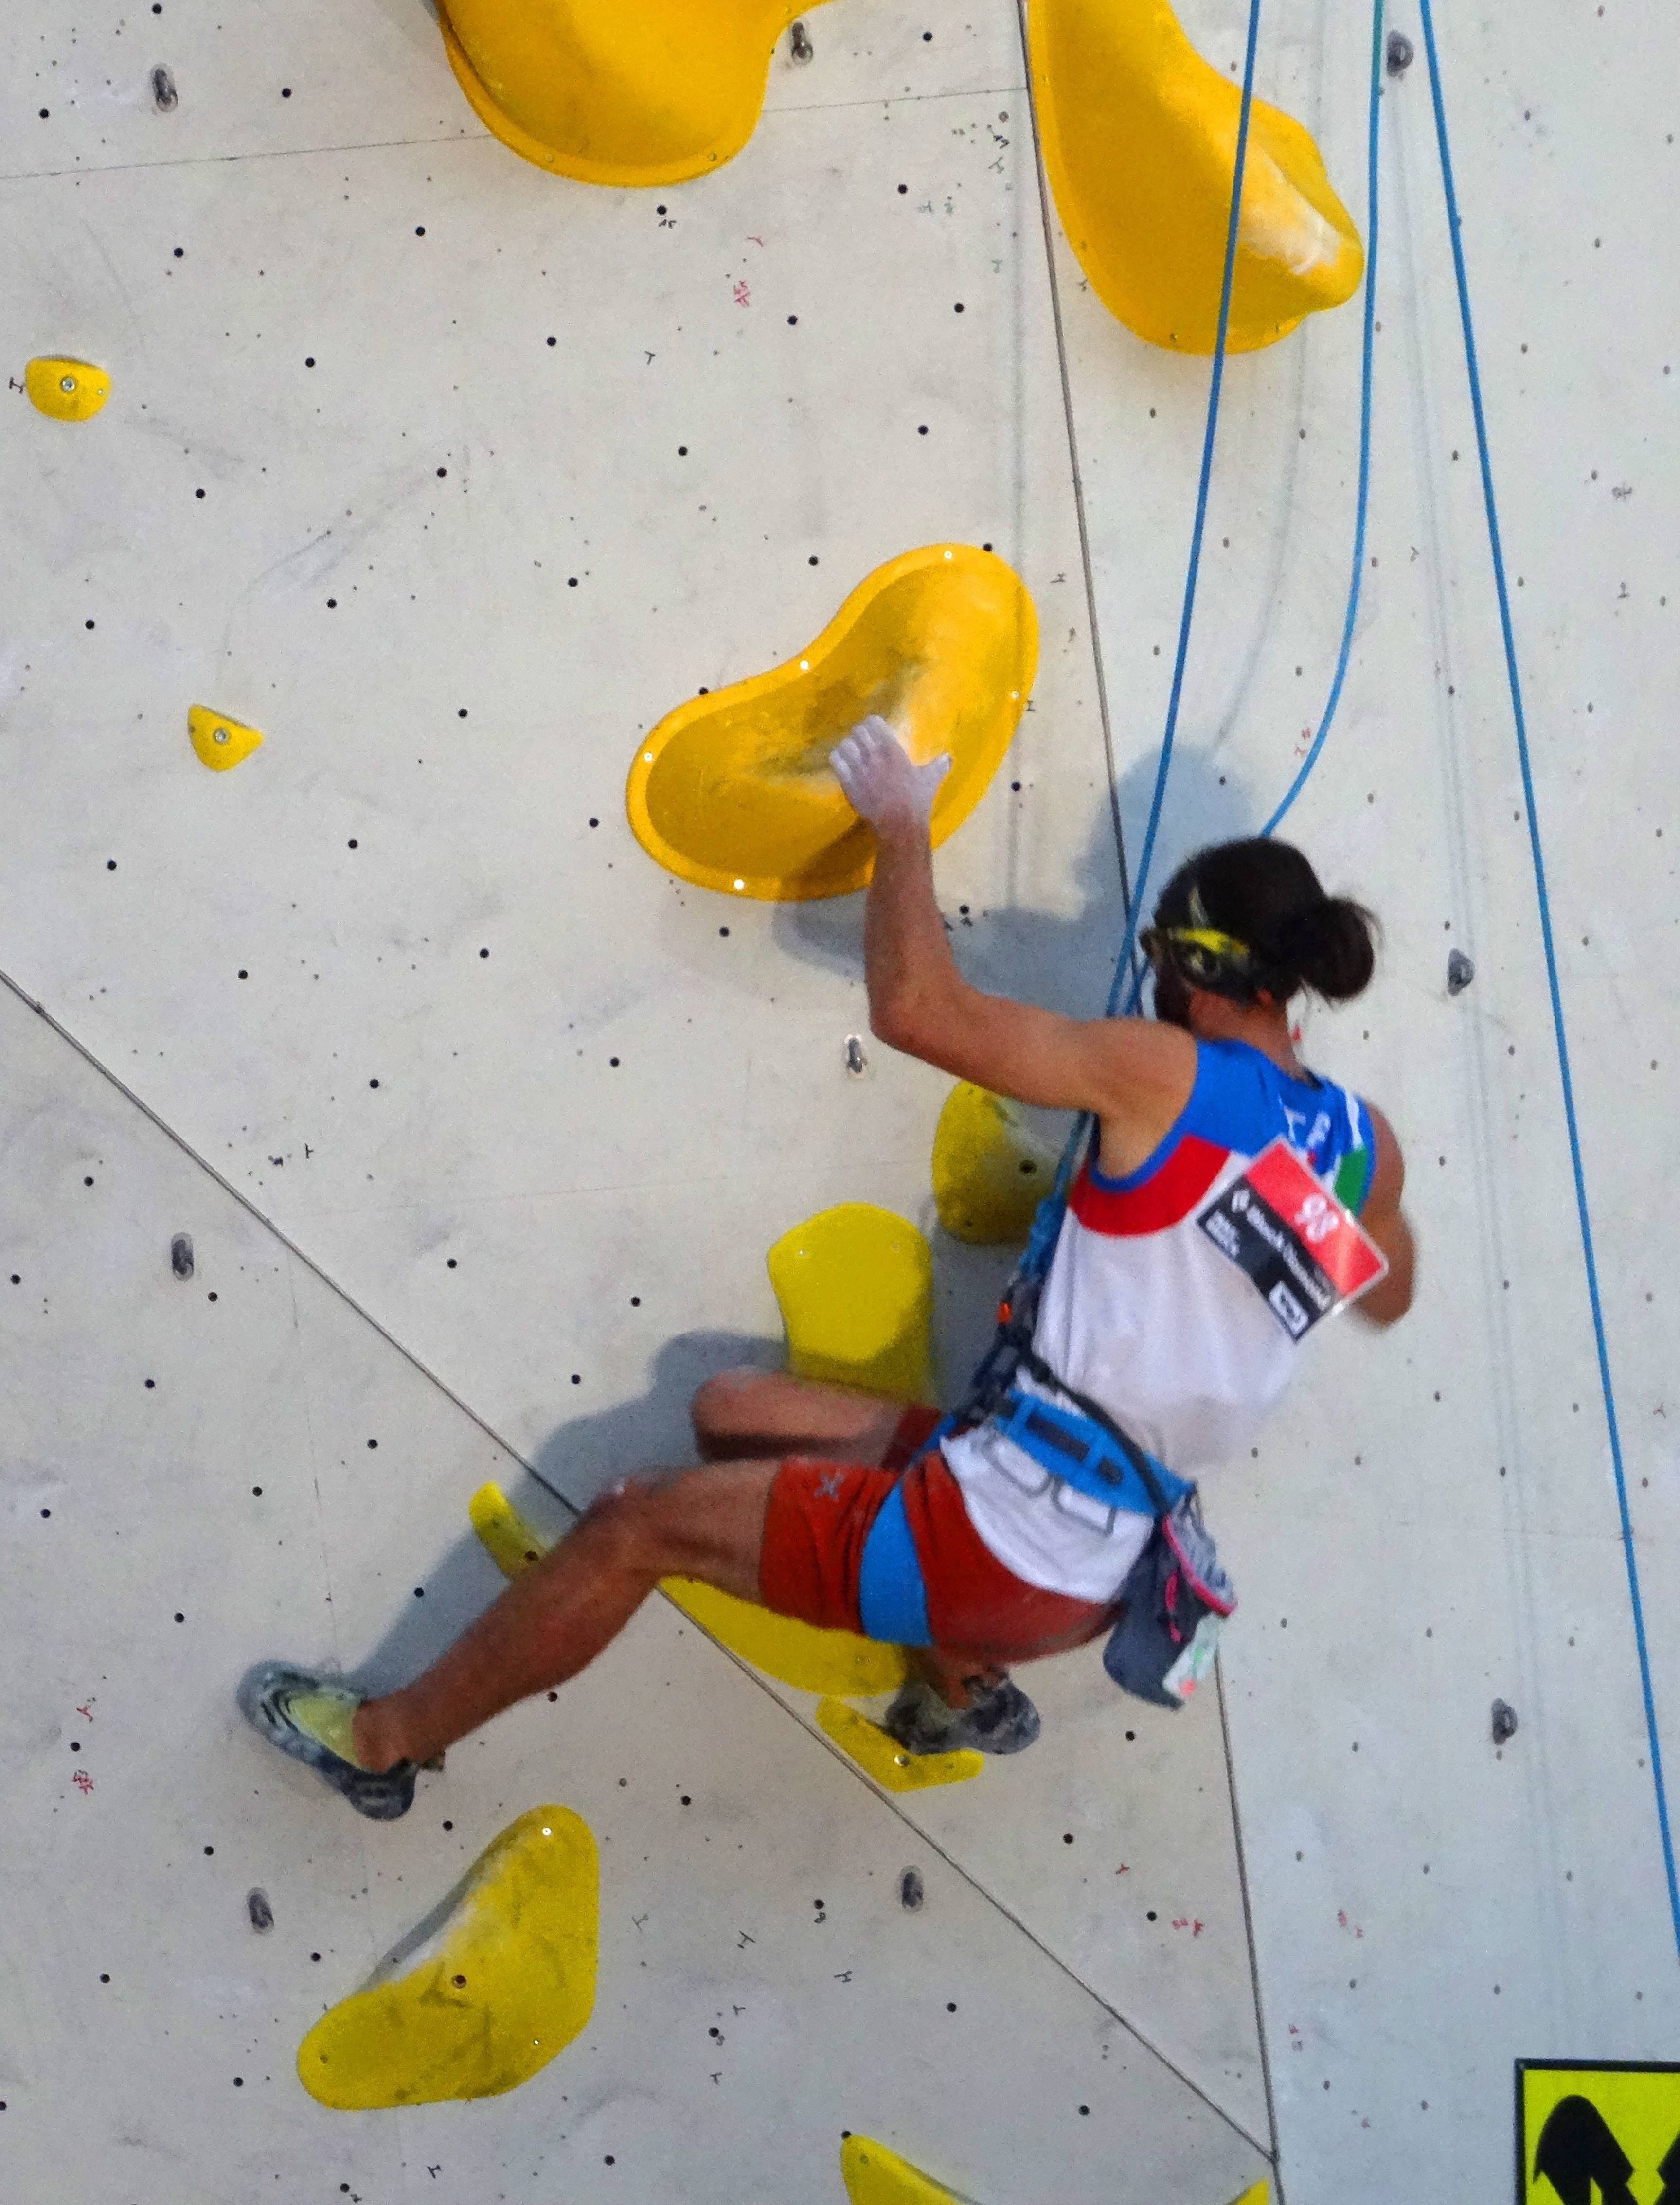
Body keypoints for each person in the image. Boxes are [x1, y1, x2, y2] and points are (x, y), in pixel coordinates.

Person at [240, 717, 1414, 1819]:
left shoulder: (1160, 1071)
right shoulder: (1362, 1146)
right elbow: (1384, 1289)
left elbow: (913, 1008)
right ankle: (961, 1684)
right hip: (1108, 1550)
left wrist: (899, 823)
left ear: (1186, 965)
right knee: (733, 1412)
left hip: (995, 1536)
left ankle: (382, 1744)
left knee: (630, 1524)